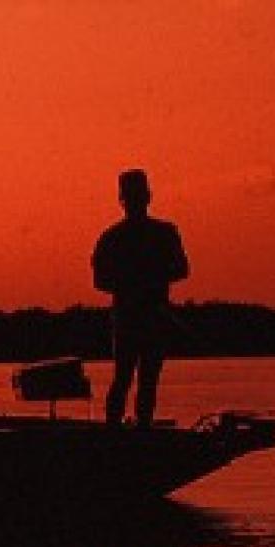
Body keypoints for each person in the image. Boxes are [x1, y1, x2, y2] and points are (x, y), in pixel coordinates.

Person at [91, 169, 190, 427]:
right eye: (131, 197)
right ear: (123, 200)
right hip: (127, 319)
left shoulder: (165, 232)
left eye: (139, 196)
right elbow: (100, 280)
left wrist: (152, 280)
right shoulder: (111, 238)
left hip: (154, 318)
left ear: (147, 197)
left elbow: (181, 269)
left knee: (148, 380)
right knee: (123, 378)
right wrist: (130, 287)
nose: (135, 202)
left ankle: (142, 428)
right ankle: (113, 429)